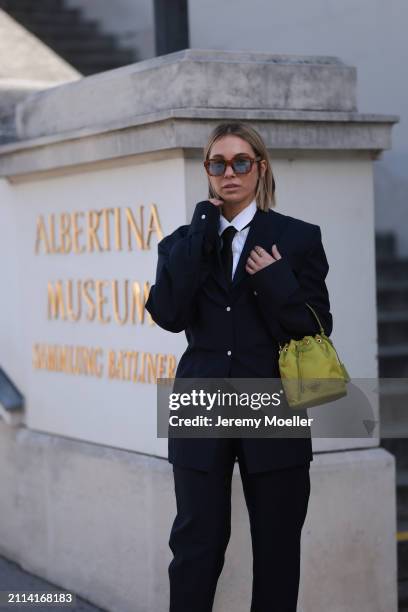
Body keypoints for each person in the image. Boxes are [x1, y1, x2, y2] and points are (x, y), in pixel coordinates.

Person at [145, 122, 333, 612]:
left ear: (260, 167)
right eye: (218, 163)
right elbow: (166, 315)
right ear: (207, 172)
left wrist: (275, 281)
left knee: (276, 549)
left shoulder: (297, 238)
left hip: (273, 403)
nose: (229, 172)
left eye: (241, 162)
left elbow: (316, 326)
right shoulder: (182, 243)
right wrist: (201, 235)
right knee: (194, 547)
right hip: (201, 403)